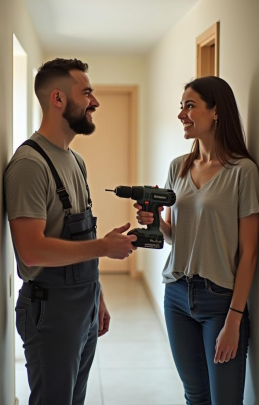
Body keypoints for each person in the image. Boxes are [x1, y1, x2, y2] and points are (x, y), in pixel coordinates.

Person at [4, 58, 137, 405]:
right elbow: (32, 250)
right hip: (50, 310)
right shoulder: (30, 166)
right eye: (87, 93)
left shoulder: (76, 161)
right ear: (58, 99)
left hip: (84, 304)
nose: (95, 102)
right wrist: (103, 249)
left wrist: (98, 294)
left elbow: (75, 235)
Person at [135, 76, 259, 404]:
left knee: (224, 400)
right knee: (195, 395)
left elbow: (249, 254)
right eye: (181, 107)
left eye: (190, 106)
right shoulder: (179, 167)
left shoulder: (242, 172)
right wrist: (155, 223)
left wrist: (234, 318)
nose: (181, 114)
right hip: (176, 295)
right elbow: (179, 237)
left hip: (220, 302)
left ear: (216, 112)